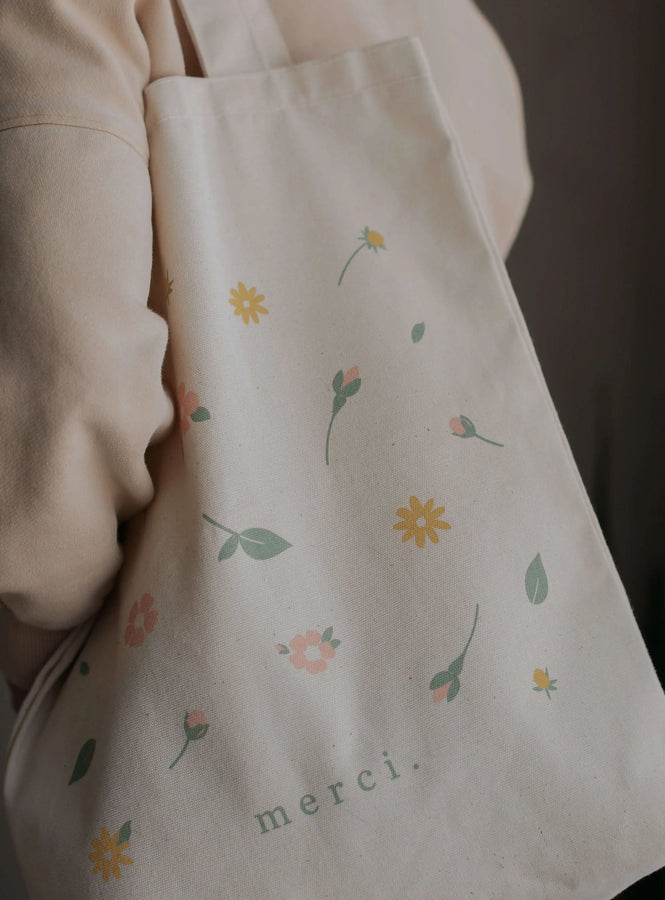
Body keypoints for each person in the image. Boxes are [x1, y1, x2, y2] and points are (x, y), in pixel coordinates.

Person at [0, 0, 532, 712]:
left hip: (173, 671)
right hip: (446, 610)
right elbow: (496, 178)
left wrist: (43, 650)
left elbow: (73, 384)